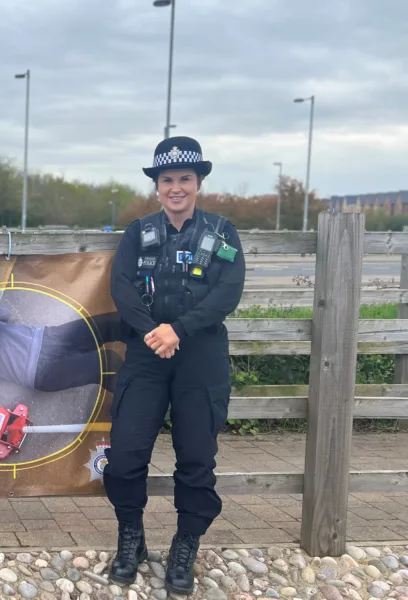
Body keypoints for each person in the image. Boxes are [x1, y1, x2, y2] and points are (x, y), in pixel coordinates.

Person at [103, 136, 246, 595]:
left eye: (185, 178)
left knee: (197, 460)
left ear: (199, 182)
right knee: (124, 458)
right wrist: (153, 331)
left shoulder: (222, 234)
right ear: (157, 185)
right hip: (147, 355)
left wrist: (178, 330)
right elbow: (121, 285)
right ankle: (132, 538)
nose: (176, 187)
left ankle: (187, 544)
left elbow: (228, 290)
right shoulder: (137, 233)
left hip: (199, 358)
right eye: (168, 180)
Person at [0, 302, 123, 401]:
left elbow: (4, 314)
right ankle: (134, 401)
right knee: (107, 362)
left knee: (110, 324)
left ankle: (146, 339)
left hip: (48, 338)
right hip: (41, 371)